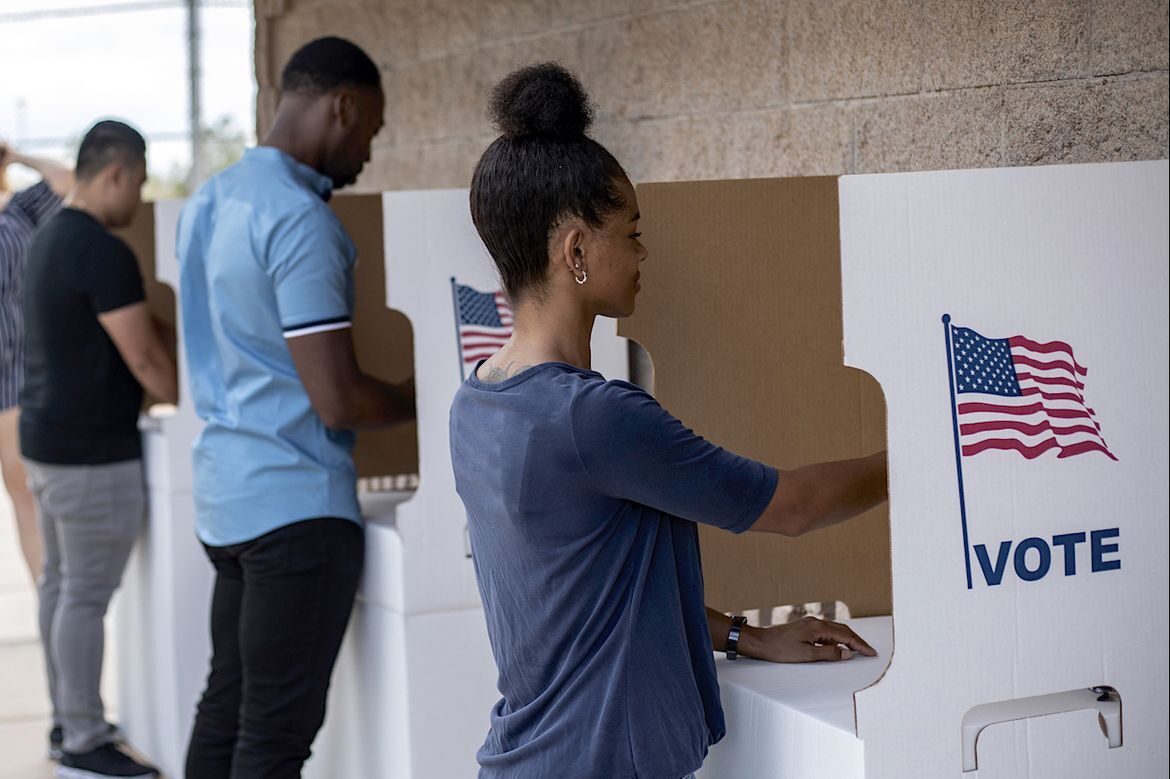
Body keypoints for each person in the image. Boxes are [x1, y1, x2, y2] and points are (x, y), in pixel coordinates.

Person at [449, 63, 890, 779]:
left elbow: (591, 600)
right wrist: (916, 454)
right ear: (577, 251)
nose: (645, 251)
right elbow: (795, 507)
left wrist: (748, 636)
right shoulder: (593, 420)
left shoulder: (476, 402)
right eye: (633, 231)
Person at [177, 36, 414, 779]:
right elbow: (337, 398)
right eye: (370, 129)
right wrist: (425, 392)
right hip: (297, 513)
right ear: (340, 106)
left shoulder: (209, 202)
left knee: (228, 709)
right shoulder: (300, 222)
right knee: (272, 741)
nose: (368, 152)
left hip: (225, 500)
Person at [22, 120, 175, 779]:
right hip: (90, 454)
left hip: (48, 441)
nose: (138, 202)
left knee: (60, 585)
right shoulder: (102, 252)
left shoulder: (47, 236)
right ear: (114, 171)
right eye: (138, 184)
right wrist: (178, 394)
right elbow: (143, 355)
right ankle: (83, 738)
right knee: (82, 592)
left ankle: (69, 718)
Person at [0, 142, 72, 584]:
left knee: (30, 498)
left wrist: (16, 155)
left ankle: (49, 600)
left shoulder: (19, 211)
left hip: (20, 381)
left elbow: (67, 181)